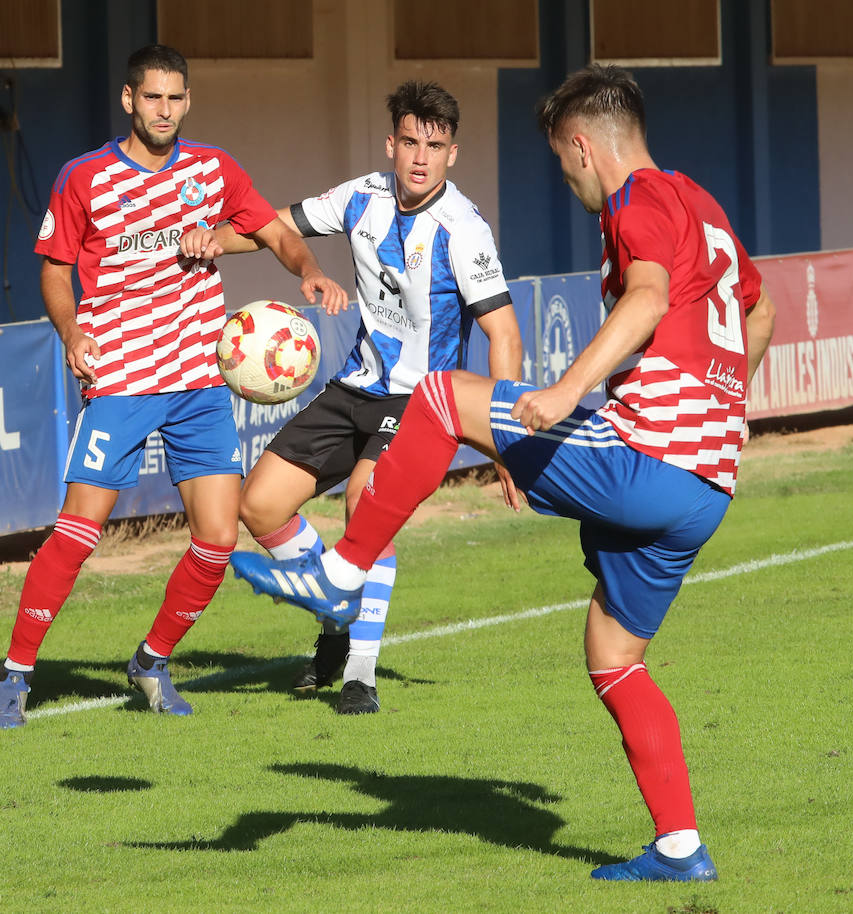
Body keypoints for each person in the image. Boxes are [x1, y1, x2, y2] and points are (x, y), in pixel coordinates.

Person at [229, 64, 776, 882]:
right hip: (707, 484)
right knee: (613, 653)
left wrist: (564, 390)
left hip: (648, 454)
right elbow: (761, 310)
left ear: (584, 146)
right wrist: (723, 412)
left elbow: (649, 298)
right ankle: (679, 848)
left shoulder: (638, 201)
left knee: (445, 396)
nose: (568, 178)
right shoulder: (703, 203)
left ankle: (343, 576)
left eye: (564, 161)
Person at [0, 44, 346, 729]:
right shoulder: (82, 177)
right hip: (120, 380)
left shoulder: (212, 170)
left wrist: (308, 272)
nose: (165, 110)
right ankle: (16, 671)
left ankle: (151, 662)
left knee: (216, 538)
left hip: (199, 384)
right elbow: (56, 271)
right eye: (153, 97)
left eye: (176, 98)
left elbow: (273, 230)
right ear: (129, 100)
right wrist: (72, 333)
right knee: (77, 534)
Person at [180, 81, 524, 715]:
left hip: (424, 403)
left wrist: (503, 440)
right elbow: (270, 225)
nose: (422, 157)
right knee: (258, 504)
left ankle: (359, 673)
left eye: (436, 145)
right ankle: (335, 615)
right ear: (391, 144)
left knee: (368, 505)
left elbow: (503, 335)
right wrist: (212, 239)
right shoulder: (360, 197)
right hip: (355, 386)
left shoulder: (465, 229)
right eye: (411, 142)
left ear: (454, 154)